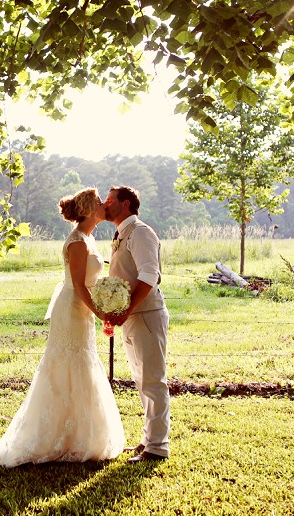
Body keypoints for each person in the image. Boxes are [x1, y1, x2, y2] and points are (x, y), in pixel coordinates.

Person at [0, 188, 125, 467]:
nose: (104, 206)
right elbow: (77, 285)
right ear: (88, 209)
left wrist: (107, 300)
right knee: (65, 364)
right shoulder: (76, 242)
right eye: (99, 202)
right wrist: (100, 312)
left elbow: (91, 282)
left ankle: (78, 435)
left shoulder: (89, 238)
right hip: (73, 308)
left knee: (82, 362)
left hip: (82, 308)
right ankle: (51, 436)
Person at [104, 185, 170, 463]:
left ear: (126, 204)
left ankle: (158, 446)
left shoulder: (141, 232)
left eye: (109, 201)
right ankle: (148, 440)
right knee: (142, 380)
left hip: (145, 314)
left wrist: (127, 308)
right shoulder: (121, 234)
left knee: (153, 380)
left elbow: (149, 275)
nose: (104, 205)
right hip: (132, 316)